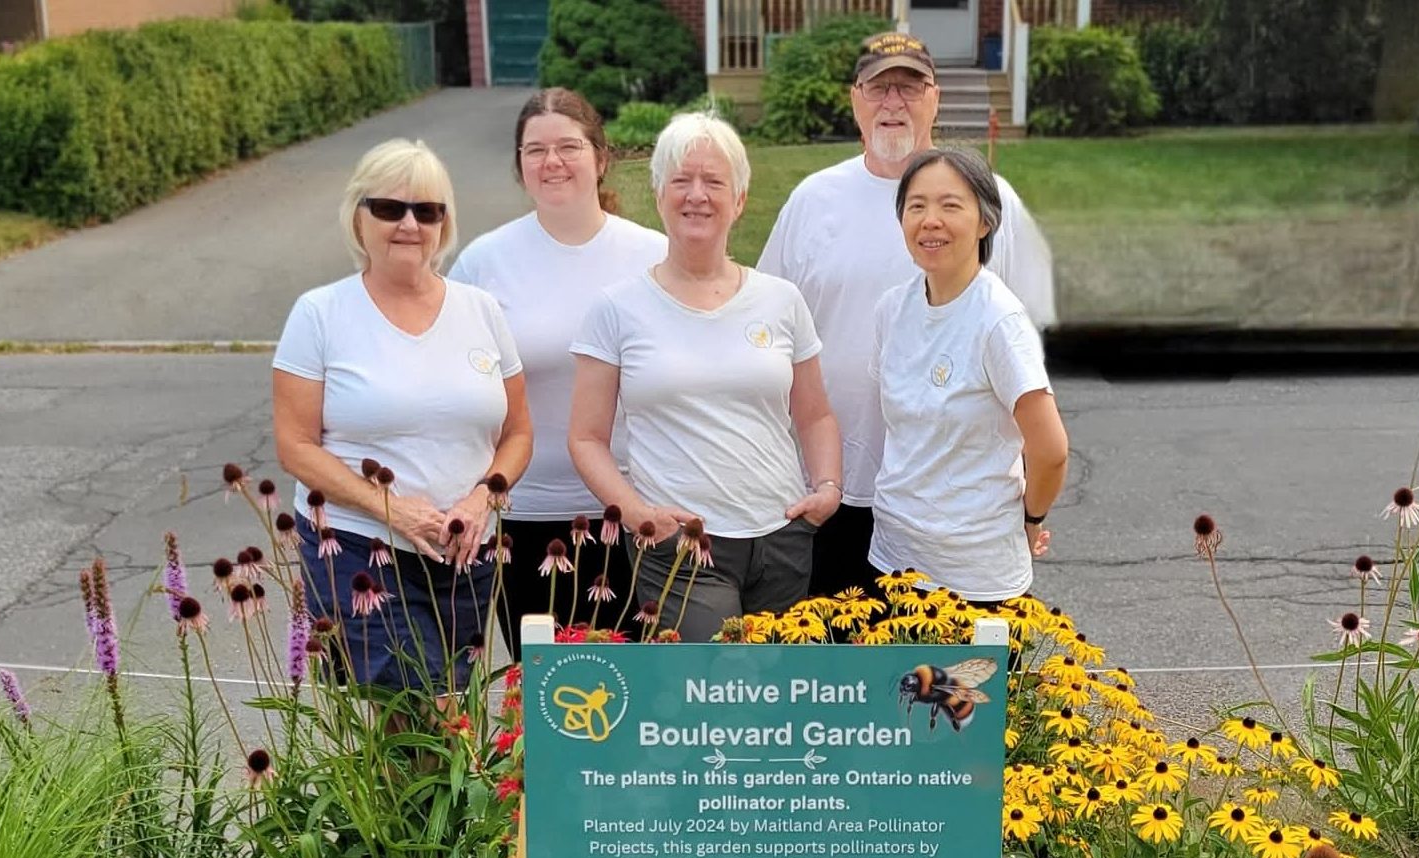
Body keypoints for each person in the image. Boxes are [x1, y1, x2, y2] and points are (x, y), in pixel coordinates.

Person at [758, 30, 1057, 598]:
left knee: (940, 684)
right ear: (855, 100)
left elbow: (1023, 352)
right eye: (878, 88)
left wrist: (1033, 493)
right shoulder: (812, 201)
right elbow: (770, 336)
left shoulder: (994, 200)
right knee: (839, 671)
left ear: (935, 99)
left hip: (952, 510)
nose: (892, 103)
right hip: (828, 485)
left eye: (910, 88)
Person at [566, 113, 843, 642]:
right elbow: (586, 437)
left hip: (781, 535)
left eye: (714, 181)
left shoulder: (781, 300)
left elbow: (815, 414)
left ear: (739, 199)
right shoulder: (616, 309)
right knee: (714, 701)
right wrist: (637, 514)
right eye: (681, 180)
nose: (697, 195)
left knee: (775, 703)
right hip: (680, 544)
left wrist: (826, 489)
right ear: (658, 194)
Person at [273, 138, 532, 693]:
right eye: (390, 209)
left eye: (427, 210)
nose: (409, 224)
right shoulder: (320, 314)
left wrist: (480, 499)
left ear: (445, 222)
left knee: (454, 707)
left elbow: (518, 432)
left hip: (464, 550)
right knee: (417, 717)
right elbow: (295, 446)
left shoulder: (481, 311)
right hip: (361, 547)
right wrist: (390, 509)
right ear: (358, 217)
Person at [449, 88, 666, 655]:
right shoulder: (483, 262)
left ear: (600, 156)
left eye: (568, 146)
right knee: (547, 708)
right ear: (519, 166)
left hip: (637, 513)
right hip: (527, 517)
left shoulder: (653, 256)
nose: (552, 162)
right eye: (535, 149)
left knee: (639, 699)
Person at [869, 146, 1068, 604]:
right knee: (897, 680)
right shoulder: (891, 311)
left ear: (985, 222)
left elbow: (1051, 451)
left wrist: (1030, 518)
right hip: (891, 562)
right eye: (916, 206)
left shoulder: (998, 321)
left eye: (950, 205)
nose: (930, 220)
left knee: (962, 681)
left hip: (976, 578)